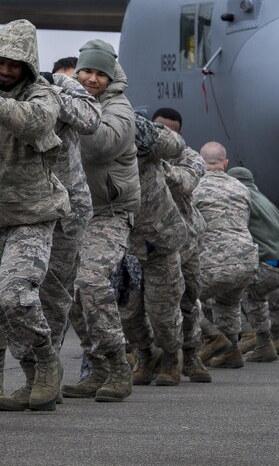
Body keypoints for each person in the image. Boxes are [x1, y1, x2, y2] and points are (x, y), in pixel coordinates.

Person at [0, 19, 70, 412]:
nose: (5, 70)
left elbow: (33, 122)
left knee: (15, 296)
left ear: (28, 67)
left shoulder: (42, 94)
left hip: (34, 215)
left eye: (14, 65)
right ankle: (29, 380)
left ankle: (47, 364)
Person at [0, 53, 100, 406]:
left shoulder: (57, 86)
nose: (85, 80)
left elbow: (90, 118)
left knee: (54, 293)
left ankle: (47, 375)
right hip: (10, 202)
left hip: (65, 206)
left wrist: (46, 95)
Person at [61, 39, 140, 403]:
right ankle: (97, 368)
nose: (92, 79)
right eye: (86, 72)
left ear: (111, 77)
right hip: (75, 211)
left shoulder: (119, 108)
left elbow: (101, 144)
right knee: (69, 292)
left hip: (110, 211)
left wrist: (70, 106)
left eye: (99, 74)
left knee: (91, 281)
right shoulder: (70, 98)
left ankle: (119, 365)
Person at [122, 113, 187, 387]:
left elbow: (176, 145)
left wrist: (148, 131)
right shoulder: (95, 139)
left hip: (160, 238)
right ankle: (145, 357)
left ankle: (171, 357)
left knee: (162, 311)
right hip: (124, 242)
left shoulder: (142, 137)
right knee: (128, 312)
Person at [152, 107, 210, 383]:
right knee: (151, 304)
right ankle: (161, 359)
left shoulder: (190, 157)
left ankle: (191, 356)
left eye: (171, 131)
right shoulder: (138, 155)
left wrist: (155, 165)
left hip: (186, 239)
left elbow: (185, 183)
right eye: (158, 129)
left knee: (189, 300)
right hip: (151, 241)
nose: (164, 135)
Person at [227, 166, 279, 363]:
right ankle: (270, 343)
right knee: (260, 296)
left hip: (270, 267)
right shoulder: (265, 200)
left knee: (229, 289)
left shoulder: (239, 199)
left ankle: (246, 337)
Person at [193, 141, 257, 369]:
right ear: (226, 163)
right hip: (246, 260)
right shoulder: (241, 188)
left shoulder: (195, 186)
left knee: (180, 299)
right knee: (228, 304)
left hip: (213, 261)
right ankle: (232, 353)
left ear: (200, 161)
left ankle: (211, 338)